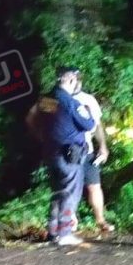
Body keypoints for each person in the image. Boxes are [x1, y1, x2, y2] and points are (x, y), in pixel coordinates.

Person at [27, 66, 94, 247]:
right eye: (76, 80)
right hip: (69, 155)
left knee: (57, 192)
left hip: (50, 153)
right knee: (69, 194)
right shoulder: (71, 103)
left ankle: (52, 231)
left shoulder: (48, 100)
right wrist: (87, 110)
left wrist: (42, 137)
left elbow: (31, 119)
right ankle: (65, 233)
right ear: (71, 80)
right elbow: (88, 124)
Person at [72, 87, 114, 235]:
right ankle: (70, 220)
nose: (74, 82)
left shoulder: (88, 100)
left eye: (76, 78)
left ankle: (100, 220)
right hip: (67, 152)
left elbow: (97, 125)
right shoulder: (58, 98)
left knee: (94, 186)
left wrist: (102, 146)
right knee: (70, 187)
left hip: (87, 151)